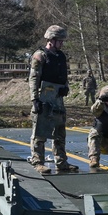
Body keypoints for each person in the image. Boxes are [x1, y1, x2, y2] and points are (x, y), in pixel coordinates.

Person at [29, 25, 79, 175]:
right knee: (40, 131)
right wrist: (34, 99)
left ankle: (61, 162)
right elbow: (33, 78)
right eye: (60, 41)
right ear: (52, 40)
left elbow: (63, 75)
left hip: (57, 98)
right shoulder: (40, 56)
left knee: (59, 132)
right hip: (43, 98)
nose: (62, 44)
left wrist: (65, 87)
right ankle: (38, 162)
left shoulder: (61, 56)